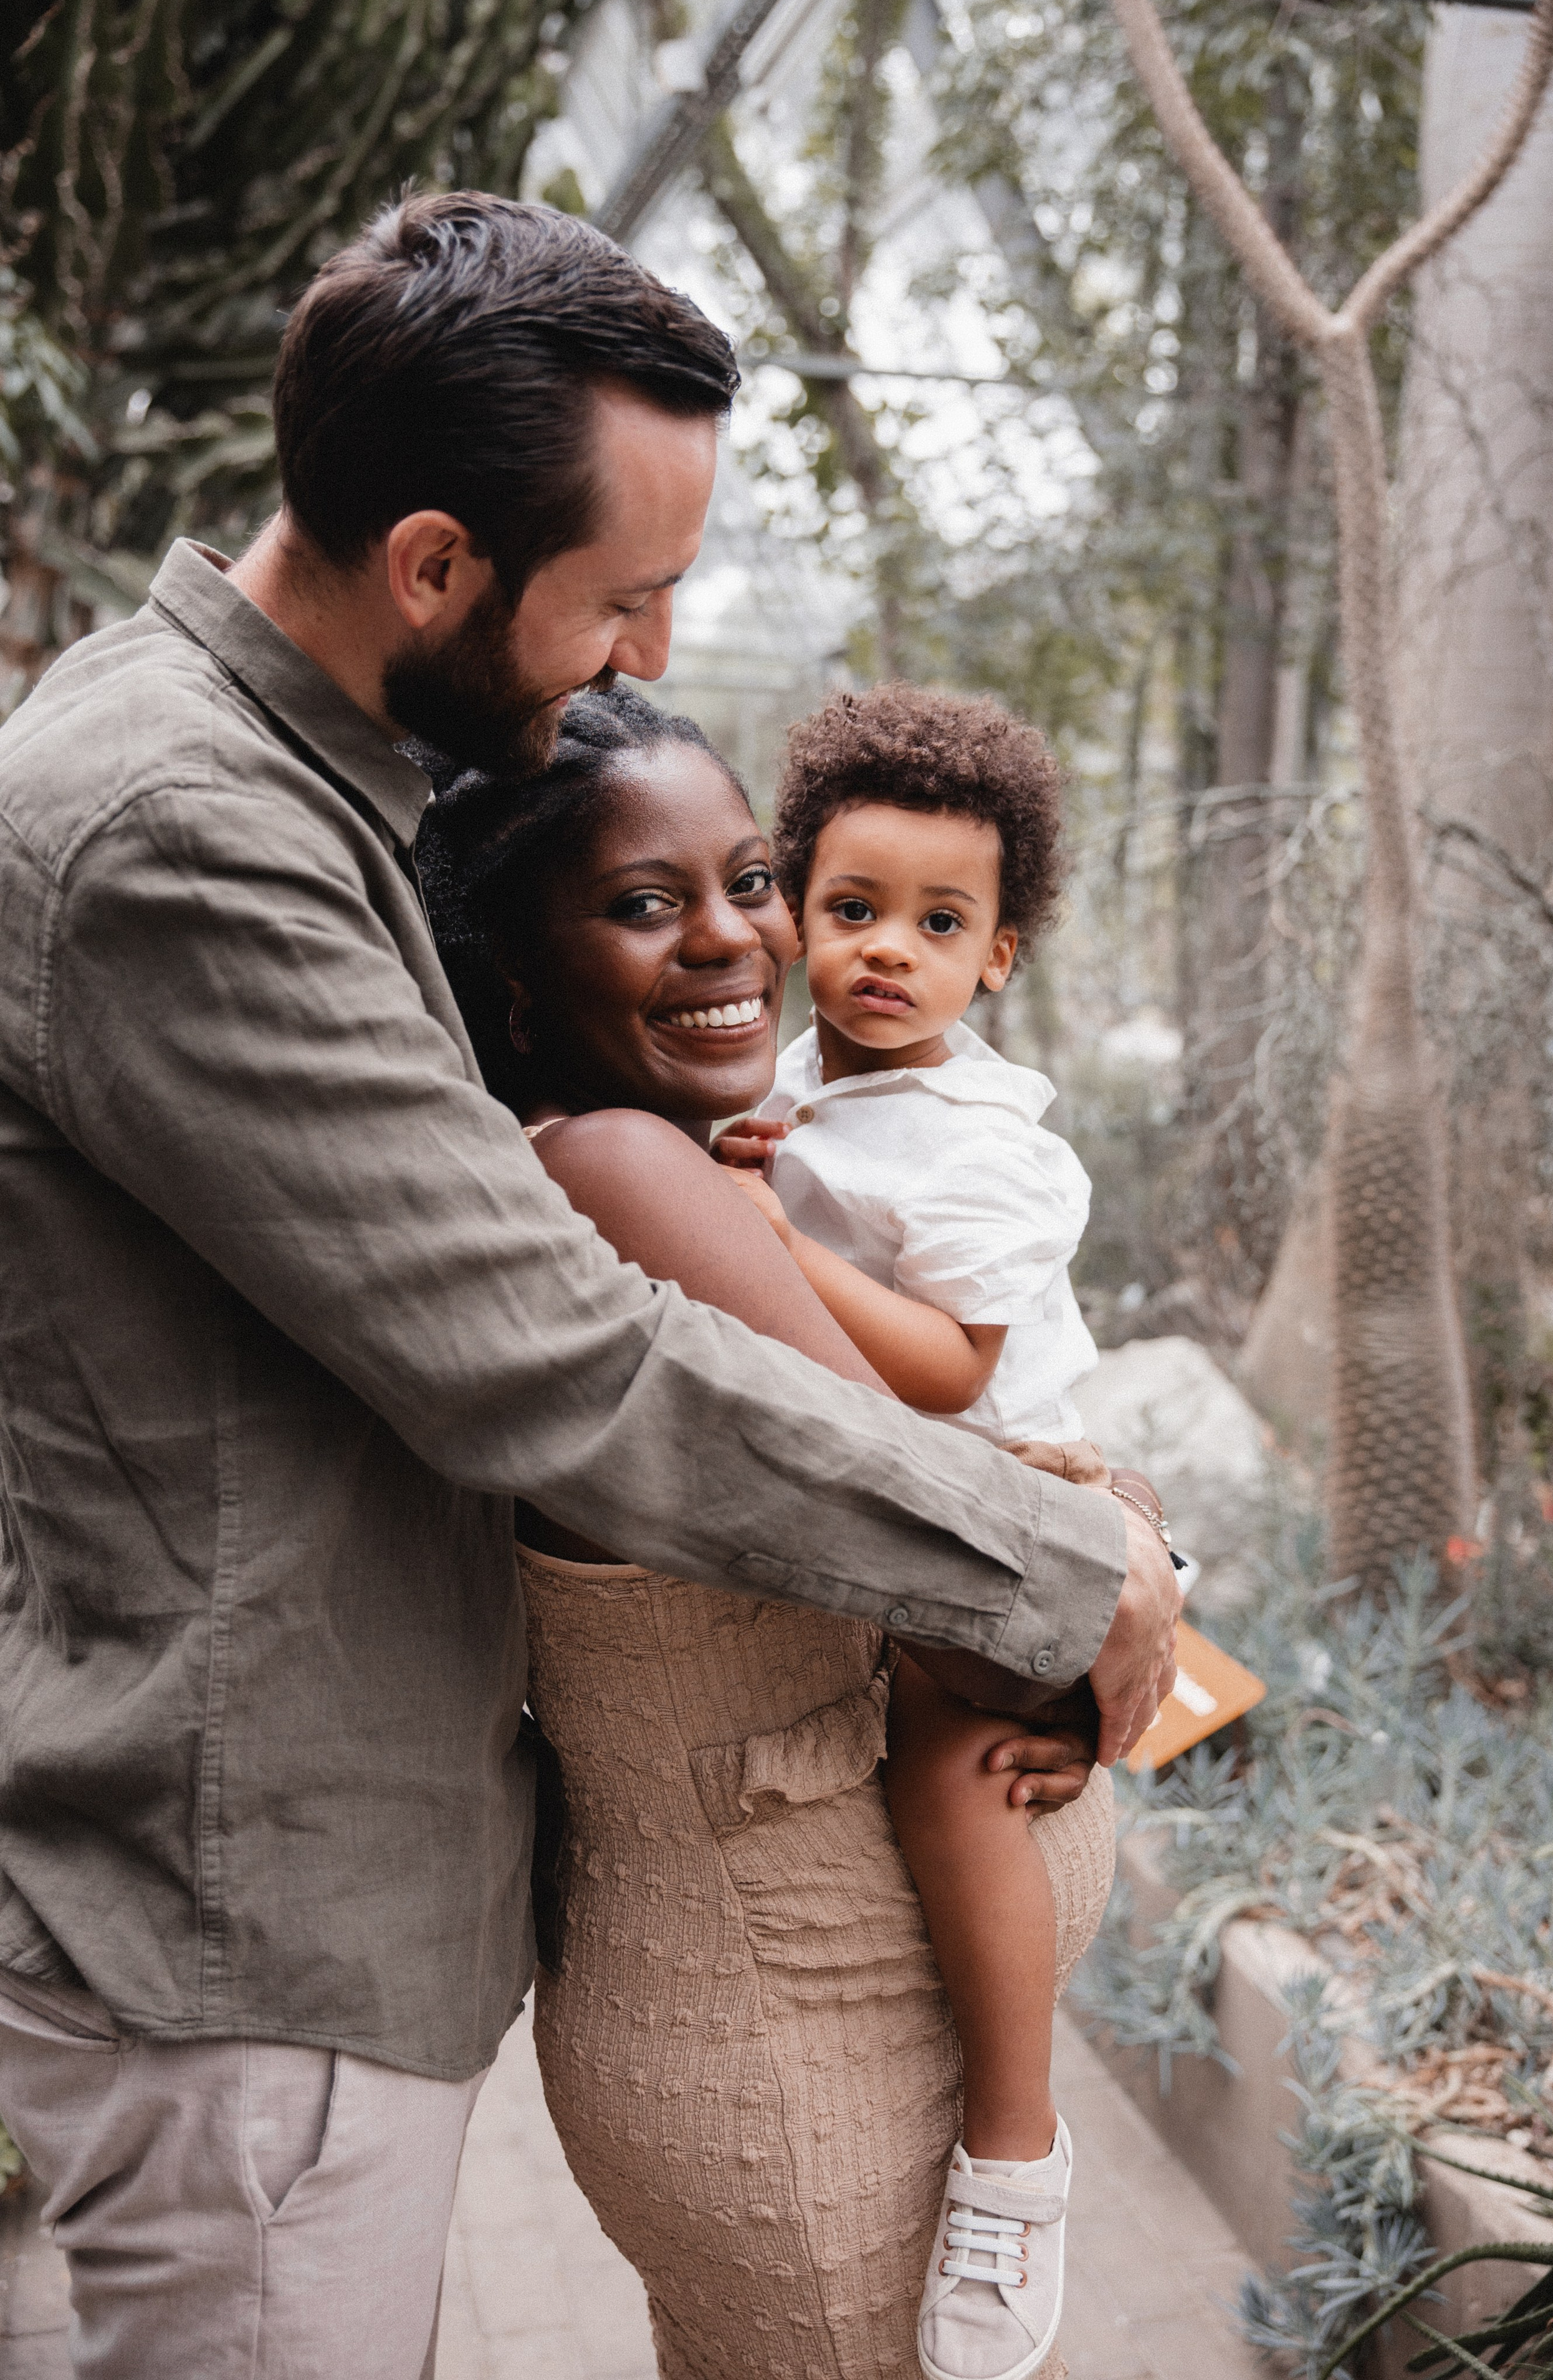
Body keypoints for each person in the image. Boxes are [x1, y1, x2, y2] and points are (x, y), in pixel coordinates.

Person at [0, 190, 1177, 2379]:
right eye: (622, 598)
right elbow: (554, 1359)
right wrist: (1060, 1562)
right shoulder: (177, 822)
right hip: (254, 1938)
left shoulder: (289, 776)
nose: (645, 651)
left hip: (335, 1917)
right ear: (434, 564)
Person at [416, 681, 1148, 2380]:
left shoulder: (751, 1141)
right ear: (518, 972)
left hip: (836, 2006)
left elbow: (980, 1454)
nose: (739, 941)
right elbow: (976, 1591)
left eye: (748, 881)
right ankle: (1025, 2158)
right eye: (646, 903)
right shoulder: (628, 1164)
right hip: (792, 2032)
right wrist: (1118, 1573)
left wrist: (1129, 1539)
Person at [714, 682, 1134, 2380]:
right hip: (894, 1485)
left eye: (939, 923)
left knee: (953, 1762)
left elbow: (952, 1364)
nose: (889, 950)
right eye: (853, 910)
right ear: (797, 912)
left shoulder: (981, 1147)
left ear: (999, 961)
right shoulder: (793, 1073)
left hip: (1010, 1479)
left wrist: (761, 1228)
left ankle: (1017, 2155)